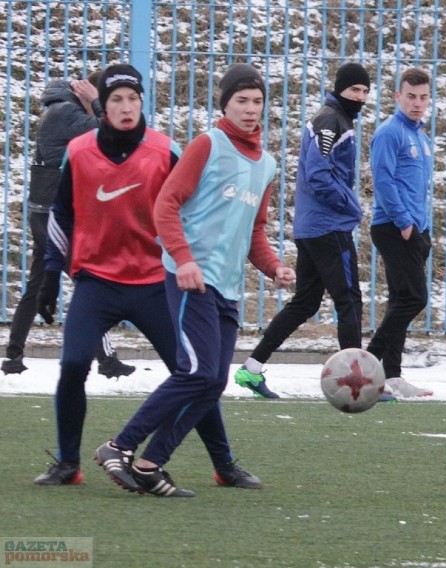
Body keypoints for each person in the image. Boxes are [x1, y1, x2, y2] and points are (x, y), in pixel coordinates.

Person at [33, 63, 263, 493]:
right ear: (102, 105)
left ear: (142, 103)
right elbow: (60, 213)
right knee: (73, 365)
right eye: (116, 99)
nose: (126, 107)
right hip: (97, 283)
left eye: (133, 99)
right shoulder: (79, 150)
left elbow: (194, 208)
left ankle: (224, 463)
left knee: (196, 372)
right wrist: (51, 273)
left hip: (157, 282)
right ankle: (68, 463)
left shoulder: (165, 151)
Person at [94, 63, 295, 497]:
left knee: (213, 381)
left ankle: (149, 463)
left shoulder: (267, 165)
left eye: (257, 101)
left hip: (226, 286)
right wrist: (183, 259)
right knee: (197, 371)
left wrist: (274, 266)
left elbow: (255, 230)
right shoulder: (208, 144)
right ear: (224, 103)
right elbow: (165, 205)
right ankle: (119, 445)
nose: (249, 109)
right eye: (240, 100)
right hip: (190, 279)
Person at [233, 63, 370, 399]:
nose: (361, 97)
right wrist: (351, 206)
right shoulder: (330, 121)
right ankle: (356, 381)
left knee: (305, 303)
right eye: (355, 90)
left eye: (365, 91)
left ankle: (252, 369)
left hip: (313, 226)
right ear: (340, 89)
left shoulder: (334, 118)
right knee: (348, 299)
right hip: (328, 226)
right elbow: (320, 175)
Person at [1, 73, 135, 379]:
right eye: (111, 99)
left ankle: (13, 356)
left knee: (36, 285)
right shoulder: (66, 113)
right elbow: (111, 130)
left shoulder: (59, 110)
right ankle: (108, 360)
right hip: (53, 218)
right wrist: (96, 104)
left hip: (44, 215)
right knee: (89, 283)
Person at [363, 67, 434, 399]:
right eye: (411, 97)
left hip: (416, 229)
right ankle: (368, 365)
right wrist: (405, 223)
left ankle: (392, 376)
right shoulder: (389, 133)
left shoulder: (422, 136)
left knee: (399, 300)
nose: (417, 104)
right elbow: (384, 180)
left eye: (422, 97)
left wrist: (422, 228)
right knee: (414, 298)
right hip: (394, 227)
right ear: (397, 96)